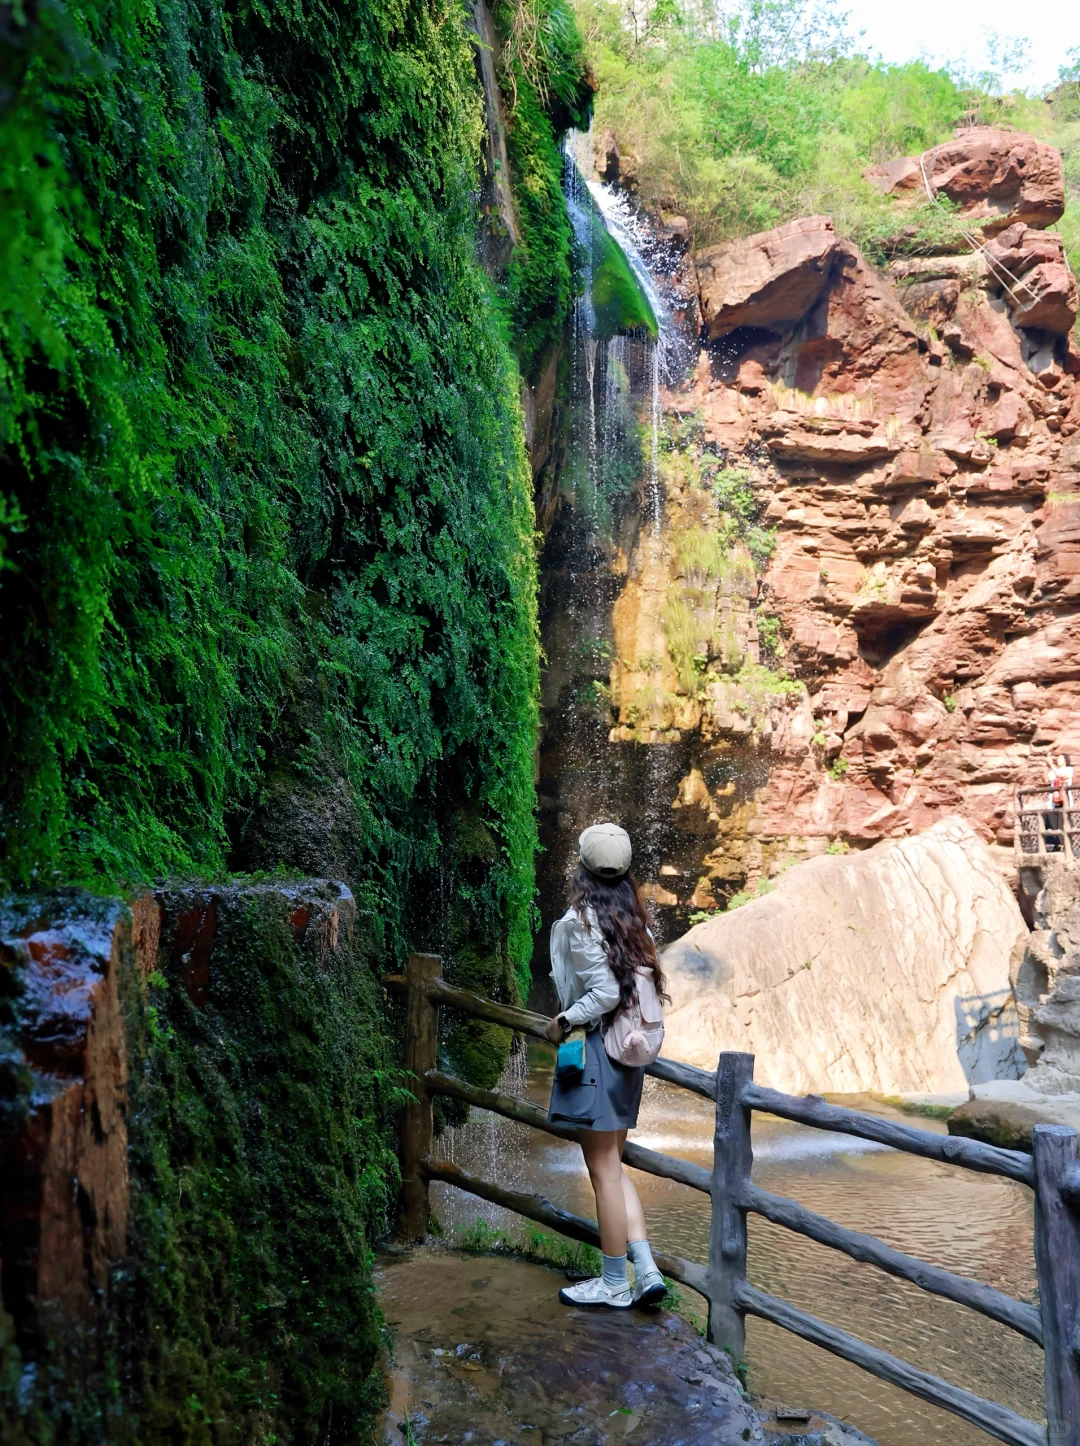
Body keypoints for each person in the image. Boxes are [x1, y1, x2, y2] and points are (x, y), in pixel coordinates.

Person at [544, 822, 669, 1309]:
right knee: (613, 1168)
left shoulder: (582, 921)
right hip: (628, 1054)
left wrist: (563, 1020)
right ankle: (647, 1269)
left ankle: (614, 1281)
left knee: (601, 1170)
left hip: (598, 1050)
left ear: (582, 869)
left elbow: (605, 993)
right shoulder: (634, 920)